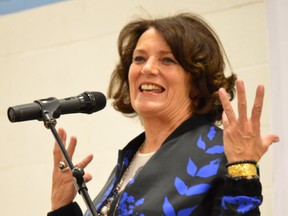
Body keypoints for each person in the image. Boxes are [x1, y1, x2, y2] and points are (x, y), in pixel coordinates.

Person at [47, 13, 279, 216]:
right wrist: (62, 207)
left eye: (167, 59)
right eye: (139, 58)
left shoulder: (221, 153)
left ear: (197, 80)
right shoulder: (131, 158)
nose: (147, 68)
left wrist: (243, 171)